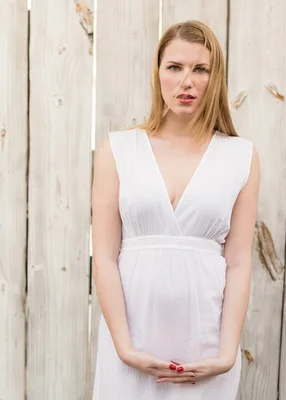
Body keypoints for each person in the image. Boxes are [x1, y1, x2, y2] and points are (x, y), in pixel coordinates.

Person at [91, 20, 260, 399]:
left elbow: (238, 262)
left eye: (201, 69)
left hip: (204, 347)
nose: (187, 81)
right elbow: (103, 256)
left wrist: (227, 354)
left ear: (215, 77)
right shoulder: (118, 149)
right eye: (175, 67)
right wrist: (124, 348)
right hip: (130, 342)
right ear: (158, 73)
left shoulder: (240, 156)